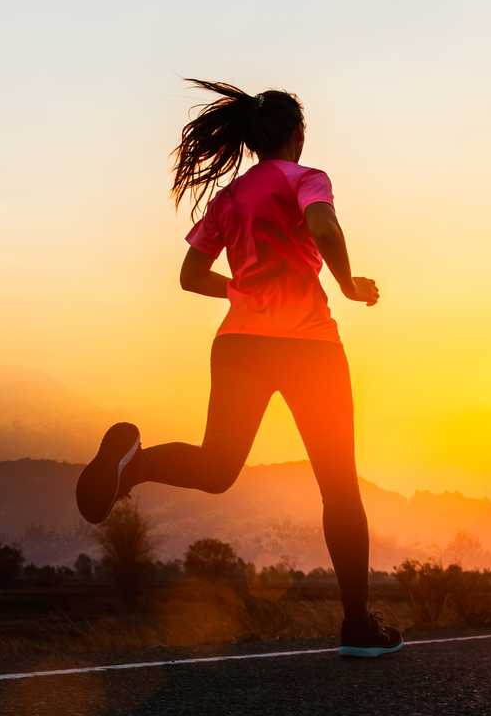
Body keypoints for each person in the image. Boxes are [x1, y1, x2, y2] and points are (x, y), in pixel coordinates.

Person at [75, 79, 403, 658]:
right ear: (296, 136)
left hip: (240, 345)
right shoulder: (308, 179)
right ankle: (356, 625)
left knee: (217, 466)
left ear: (252, 141)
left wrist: (243, 291)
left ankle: (130, 471)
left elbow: (189, 276)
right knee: (339, 485)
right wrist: (349, 285)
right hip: (309, 349)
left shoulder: (228, 199)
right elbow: (324, 227)